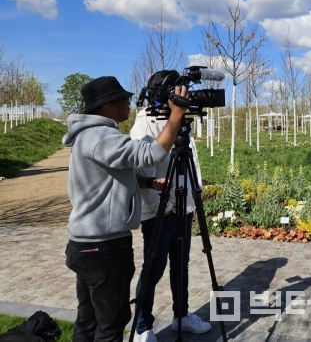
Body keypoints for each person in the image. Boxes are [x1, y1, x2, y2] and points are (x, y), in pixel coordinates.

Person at [62, 76, 189, 342]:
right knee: (111, 326)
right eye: (125, 99)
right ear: (109, 105)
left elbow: (115, 173)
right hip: (104, 248)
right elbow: (152, 153)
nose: (129, 104)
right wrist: (176, 115)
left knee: (88, 321)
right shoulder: (102, 136)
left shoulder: (89, 136)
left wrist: (147, 182)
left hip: (87, 244)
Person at [129, 70, 211, 342]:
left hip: (183, 206)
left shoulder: (179, 120)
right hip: (159, 209)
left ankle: (181, 315)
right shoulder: (145, 123)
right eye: (179, 91)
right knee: (153, 267)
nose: (183, 96)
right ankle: (142, 327)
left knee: (181, 265)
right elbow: (138, 170)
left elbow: (191, 161)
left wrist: (192, 198)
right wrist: (160, 205)